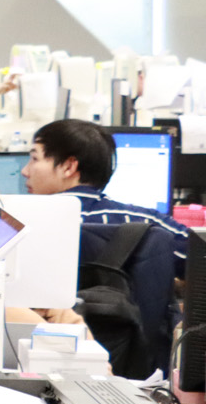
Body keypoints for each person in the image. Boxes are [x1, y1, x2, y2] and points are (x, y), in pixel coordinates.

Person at [22, 118, 188, 373]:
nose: (25, 170)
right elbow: (198, 262)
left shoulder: (20, 224)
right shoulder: (148, 222)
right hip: (142, 377)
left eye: (34, 158)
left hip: (40, 366)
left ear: (68, 166)